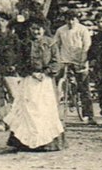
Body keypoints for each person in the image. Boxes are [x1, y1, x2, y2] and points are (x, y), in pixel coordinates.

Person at [5, 20, 66, 151]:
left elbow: (56, 62)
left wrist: (46, 72)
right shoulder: (25, 44)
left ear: (44, 30)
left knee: (44, 109)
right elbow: (20, 62)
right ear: (30, 30)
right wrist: (31, 72)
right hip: (29, 80)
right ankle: (25, 142)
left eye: (39, 29)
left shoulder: (51, 43)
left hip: (45, 81)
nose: (36, 32)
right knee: (28, 108)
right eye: (33, 29)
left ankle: (46, 143)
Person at [52, 11, 96, 124]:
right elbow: (55, 44)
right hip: (64, 60)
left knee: (84, 88)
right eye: (68, 19)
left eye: (73, 19)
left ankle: (88, 115)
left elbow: (86, 46)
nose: (71, 22)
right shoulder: (61, 30)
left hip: (79, 61)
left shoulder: (82, 30)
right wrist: (57, 59)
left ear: (77, 19)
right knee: (55, 85)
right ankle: (55, 112)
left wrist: (82, 61)